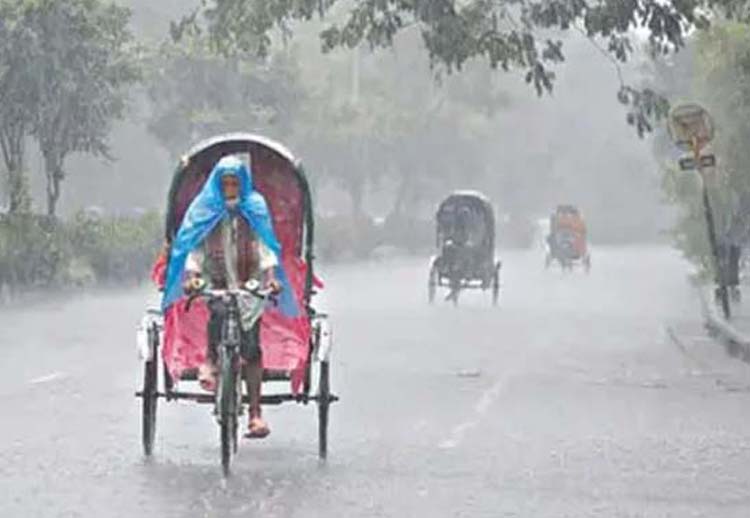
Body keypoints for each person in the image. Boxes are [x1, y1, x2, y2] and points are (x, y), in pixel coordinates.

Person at [161, 155, 298, 439]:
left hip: (249, 285)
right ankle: (211, 360)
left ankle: (256, 413)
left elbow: (266, 248)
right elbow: (195, 248)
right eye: (226, 183)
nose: (231, 188)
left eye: (235, 183)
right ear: (218, 185)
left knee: (251, 348)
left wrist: (271, 279)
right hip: (216, 281)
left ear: (243, 184)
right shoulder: (205, 209)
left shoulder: (255, 208)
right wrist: (191, 276)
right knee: (217, 316)